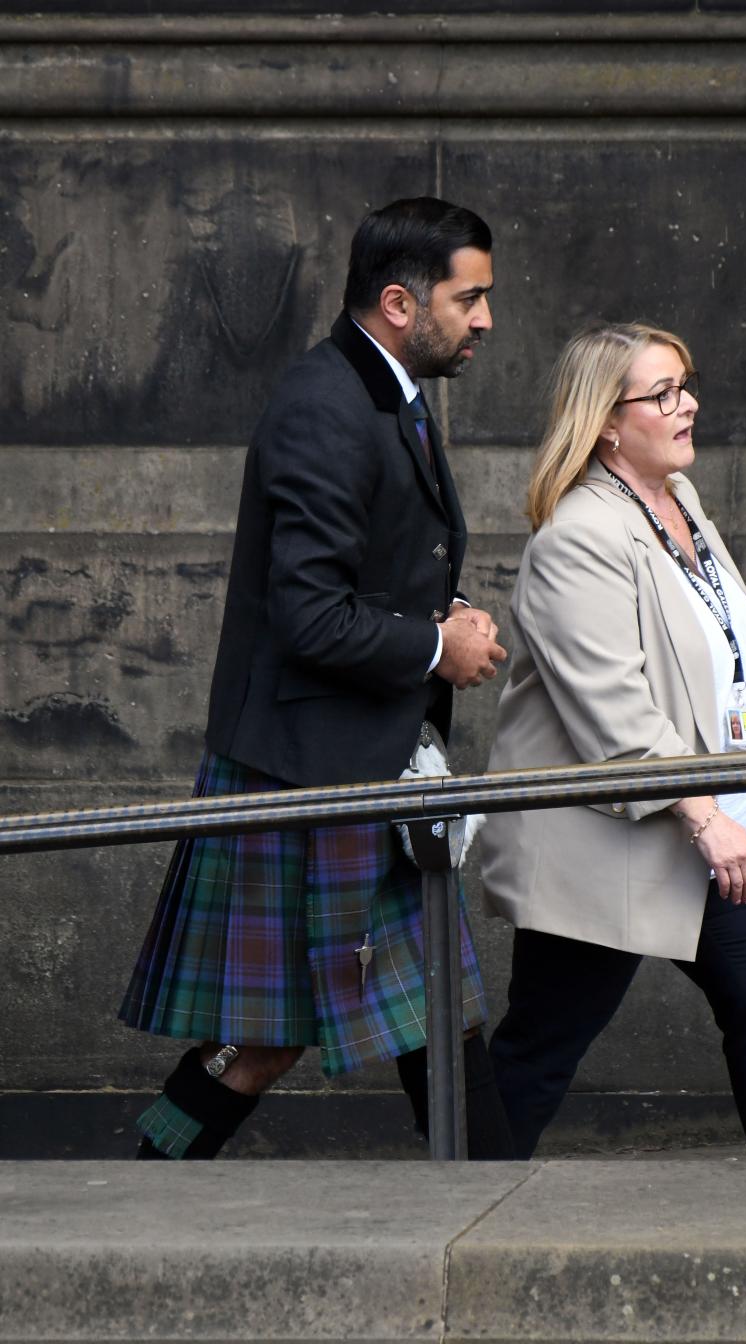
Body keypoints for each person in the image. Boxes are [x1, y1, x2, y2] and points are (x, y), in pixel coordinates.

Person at [120, 196, 514, 1160]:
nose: (487, 320)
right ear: (397, 302)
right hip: (305, 774)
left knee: (441, 1015)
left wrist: (436, 618)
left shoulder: (381, 392)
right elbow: (307, 617)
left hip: (360, 763)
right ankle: (145, 1176)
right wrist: (436, 650)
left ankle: (495, 1205)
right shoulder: (324, 405)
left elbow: (365, 573)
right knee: (260, 1044)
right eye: (471, 299)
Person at [481, 322, 746, 1163]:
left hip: (716, 833)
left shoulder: (683, 506)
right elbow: (613, 708)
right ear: (607, 420)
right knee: (541, 1048)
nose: (690, 405)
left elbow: (704, 644)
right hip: (612, 846)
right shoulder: (577, 538)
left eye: (687, 385)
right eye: (664, 393)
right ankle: (447, 1212)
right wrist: (703, 813)